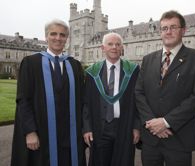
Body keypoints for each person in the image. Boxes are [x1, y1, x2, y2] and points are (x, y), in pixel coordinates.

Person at [135, 10, 195, 166]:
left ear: (183, 30)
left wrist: (166, 122)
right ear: (160, 32)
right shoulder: (148, 59)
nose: (168, 32)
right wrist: (152, 123)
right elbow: (139, 93)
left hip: (179, 138)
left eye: (173, 27)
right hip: (151, 139)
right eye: (164, 28)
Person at [11, 19, 86, 166]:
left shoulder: (74, 65)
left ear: (67, 38)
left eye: (62, 35)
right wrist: (30, 131)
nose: (58, 38)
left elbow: (82, 101)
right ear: (46, 36)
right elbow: (23, 100)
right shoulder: (31, 63)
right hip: (41, 132)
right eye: (53, 34)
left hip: (68, 133)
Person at [82, 32, 140, 166]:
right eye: (110, 44)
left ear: (122, 48)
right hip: (99, 127)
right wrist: (87, 129)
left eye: (118, 44)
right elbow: (86, 103)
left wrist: (136, 127)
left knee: (123, 161)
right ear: (103, 48)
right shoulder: (92, 72)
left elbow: (139, 101)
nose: (114, 47)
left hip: (124, 126)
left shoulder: (133, 70)